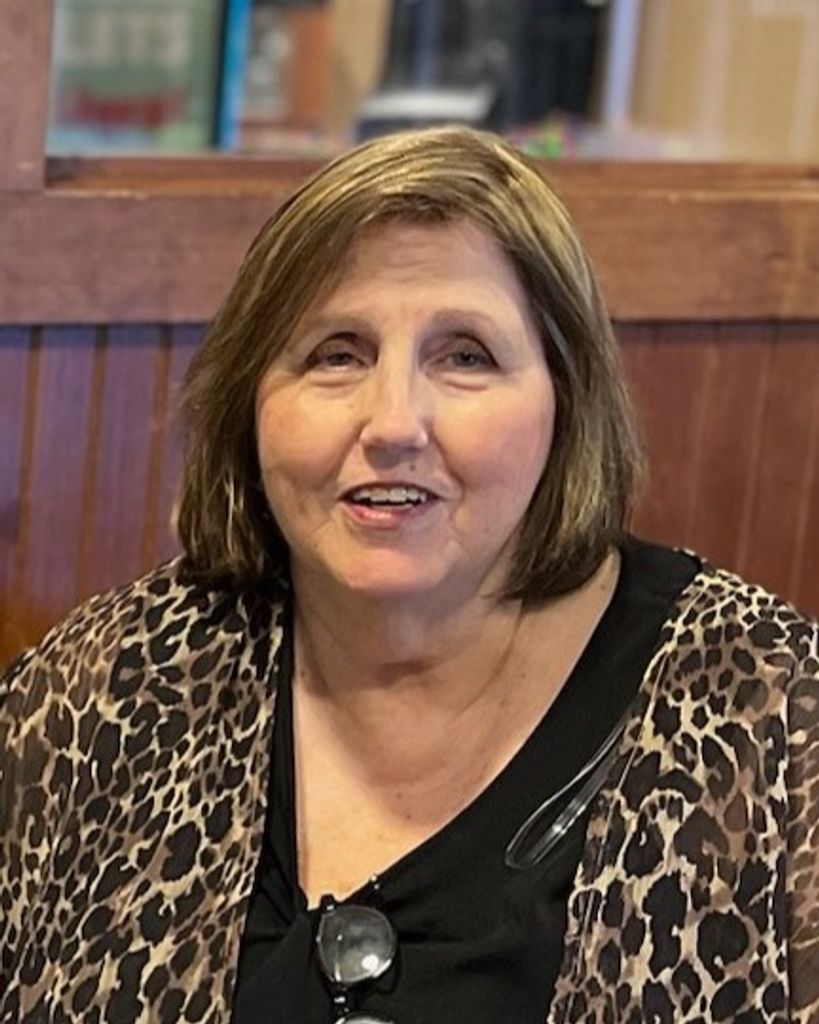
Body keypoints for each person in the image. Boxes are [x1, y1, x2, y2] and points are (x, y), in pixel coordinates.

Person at [1, 126, 817, 1024]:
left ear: (565, 401)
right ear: (250, 403)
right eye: (337, 353)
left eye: (464, 355)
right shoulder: (102, 687)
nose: (393, 423)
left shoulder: (770, 711)